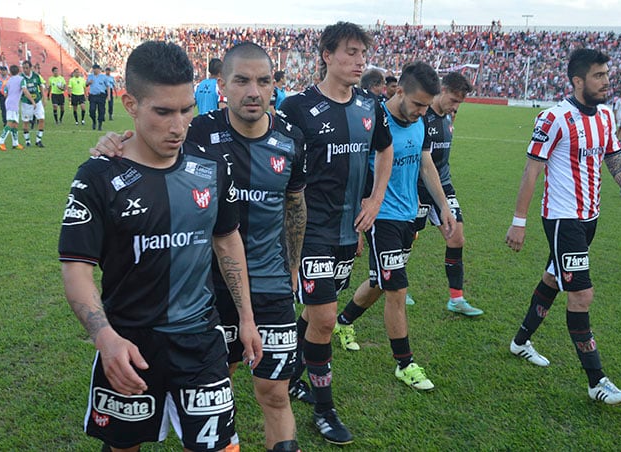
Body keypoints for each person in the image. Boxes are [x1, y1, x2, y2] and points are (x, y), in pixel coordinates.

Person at [89, 42, 305, 452]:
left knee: (275, 394)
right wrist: (111, 144)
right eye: (242, 80)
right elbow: (145, 149)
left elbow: (296, 205)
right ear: (221, 84)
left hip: (272, 288)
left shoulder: (292, 139)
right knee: (204, 392)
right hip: (206, 295)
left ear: (275, 86)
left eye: (263, 81)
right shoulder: (196, 131)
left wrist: (292, 267)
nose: (254, 91)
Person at [59, 40, 261, 452]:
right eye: (163, 112)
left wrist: (245, 316)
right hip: (130, 341)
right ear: (129, 103)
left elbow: (226, 240)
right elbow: (76, 267)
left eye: (187, 109)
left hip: (201, 341)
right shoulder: (98, 175)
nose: (178, 125)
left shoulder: (210, 168)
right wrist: (105, 338)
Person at [504, 49, 621, 405]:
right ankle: (596, 381)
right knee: (581, 294)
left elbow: (615, 162)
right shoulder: (555, 118)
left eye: (607, 74)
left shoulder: (608, 116)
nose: (606, 80)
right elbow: (532, 169)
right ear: (578, 81)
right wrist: (519, 222)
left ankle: (520, 342)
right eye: (598, 75)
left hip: (590, 217)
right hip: (563, 219)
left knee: (553, 278)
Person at [278, 21, 394, 445]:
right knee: (325, 319)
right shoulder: (296, 107)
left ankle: (289, 374)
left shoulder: (370, 105)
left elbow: (385, 149)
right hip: (310, 231)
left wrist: (376, 199)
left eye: (362, 53)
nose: (359, 60)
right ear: (326, 55)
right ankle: (325, 410)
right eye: (349, 52)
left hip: (349, 229)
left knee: (313, 313)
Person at [333, 62, 454, 392]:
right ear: (398, 90)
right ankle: (405, 363)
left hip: (407, 216)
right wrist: (356, 225)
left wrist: (443, 206)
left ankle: (342, 322)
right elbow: (353, 170)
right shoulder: (373, 122)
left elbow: (425, 162)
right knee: (397, 289)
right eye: (416, 104)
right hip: (380, 217)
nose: (421, 112)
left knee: (380, 281)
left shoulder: (423, 120)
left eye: (427, 106)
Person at [410, 71, 483, 316]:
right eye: (453, 99)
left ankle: (456, 298)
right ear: (442, 89)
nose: (456, 106)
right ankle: (395, 285)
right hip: (417, 188)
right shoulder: (421, 116)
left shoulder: (449, 117)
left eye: (460, 102)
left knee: (456, 238)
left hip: (443, 184)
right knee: (406, 240)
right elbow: (421, 160)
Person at [0, 65, 26, 151]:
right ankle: (0, 141)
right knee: (10, 122)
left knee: (15, 124)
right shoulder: (21, 79)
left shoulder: (8, 81)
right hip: (13, 104)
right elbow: (24, 90)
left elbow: (5, 93)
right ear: (19, 71)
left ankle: (15, 143)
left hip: (11, 102)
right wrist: (32, 101)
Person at [19, 61, 46, 148]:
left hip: (37, 101)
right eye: (24, 68)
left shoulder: (36, 76)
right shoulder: (21, 77)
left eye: (27, 67)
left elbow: (41, 86)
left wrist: (44, 98)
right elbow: (24, 90)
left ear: (31, 68)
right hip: (26, 103)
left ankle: (38, 140)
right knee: (26, 122)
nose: (25, 69)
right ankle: (27, 141)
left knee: (41, 119)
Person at [87, 63, 110, 130]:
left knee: (101, 110)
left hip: (101, 95)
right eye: (93, 69)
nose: (94, 70)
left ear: (99, 69)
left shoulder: (103, 77)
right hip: (93, 95)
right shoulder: (90, 76)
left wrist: (108, 96)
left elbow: (108, 86)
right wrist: (88, 83)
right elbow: (86, 84)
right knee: (92, 110)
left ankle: (100, 124)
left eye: (95, 69)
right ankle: (94, 121)